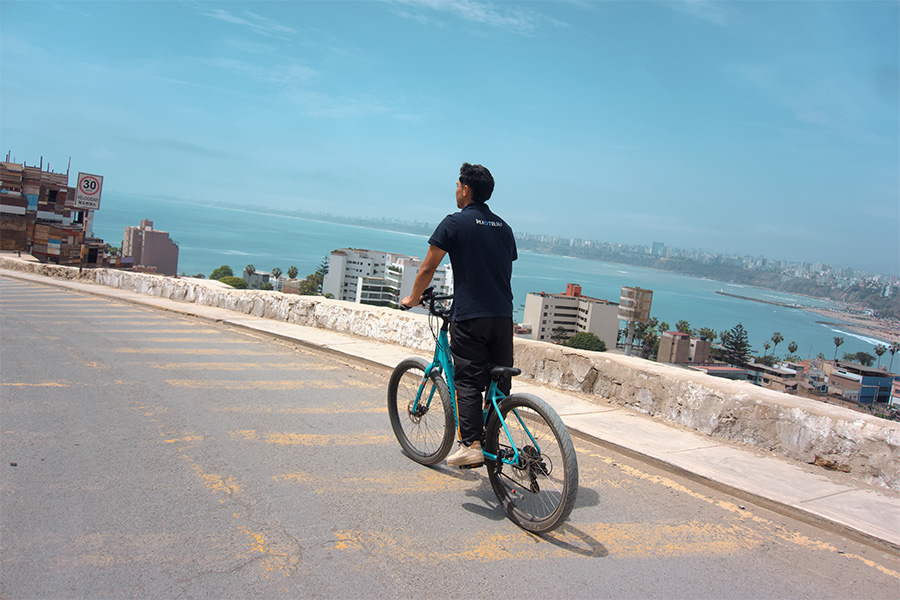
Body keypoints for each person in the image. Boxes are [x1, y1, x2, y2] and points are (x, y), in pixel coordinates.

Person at [401, 163, 517, 468]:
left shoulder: (453, 223)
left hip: (471, 317)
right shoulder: (505, 228)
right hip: (503, 317)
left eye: (457, 185)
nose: (455, 190)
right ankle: (491, 440)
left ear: (466, 189)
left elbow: (428, 267)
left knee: (468, 381)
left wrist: (413, 298)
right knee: (499, 383)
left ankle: (471, 445)